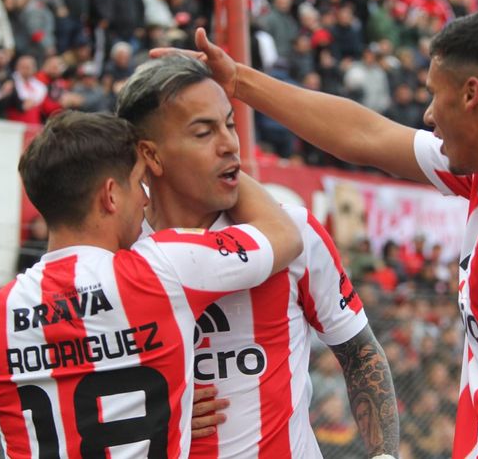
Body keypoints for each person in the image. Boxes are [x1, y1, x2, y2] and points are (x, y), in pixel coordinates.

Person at [154, 8, 478, 457]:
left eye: (435, 93)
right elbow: (365, 136)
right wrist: (239, 81)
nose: (428, 114)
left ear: (472, 94)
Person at [0, 110, 303, 458]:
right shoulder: (163, 268)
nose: (145, 199)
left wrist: (175, 405)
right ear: (111, 195)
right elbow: (284, 235)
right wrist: (226, 163)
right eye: (139, 183)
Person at [116, 54, 399, 459]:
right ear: (151, 155)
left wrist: (384, 455)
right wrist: (143, 414)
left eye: (229, 124)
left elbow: (359, 352)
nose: (230, 143)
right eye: (203, 132)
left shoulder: (296, 232)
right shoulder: (116, 253)